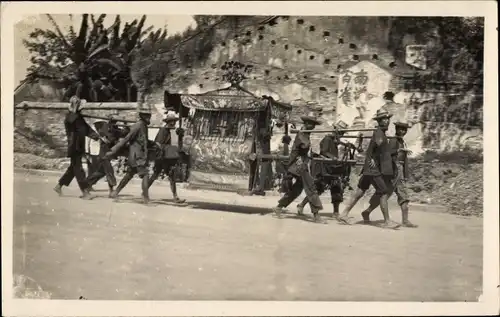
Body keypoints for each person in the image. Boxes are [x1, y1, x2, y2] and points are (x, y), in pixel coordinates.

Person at [337, 108, 400, 229]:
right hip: (373, 170)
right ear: (379, 121)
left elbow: (375, 149)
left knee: (360, 192)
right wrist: (371, 159)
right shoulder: (379, 133)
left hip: (369, 168)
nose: (386, 121)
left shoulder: (380, 133)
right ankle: (387, 221)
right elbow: (378, 147)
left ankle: (343, 214)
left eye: (387, 119)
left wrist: (370, 157)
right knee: (383, 192)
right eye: (383, 119)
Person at [359, 121, 418, 228]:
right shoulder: (393, 141)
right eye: (400, 129)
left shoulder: (402, 141)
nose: (403, 131)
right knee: (384, 195)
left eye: (404, 130)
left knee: (403, 194)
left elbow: (403, 161)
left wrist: (405, 175)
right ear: (396, 129)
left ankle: (405, 220)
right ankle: (368, 212)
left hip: (399, 171)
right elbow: (387, 155)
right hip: (392, 171)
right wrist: (399, 150)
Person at [272, 112, 324, 223]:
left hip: (301, 164)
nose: (314, 127)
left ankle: (279, 207)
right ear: (307, 123)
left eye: (314, 124)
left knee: (297, 189)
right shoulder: (301, 134)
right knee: (311, 188)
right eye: (312, 124)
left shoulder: (306, 134)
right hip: (298, 165)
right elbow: (303, 146)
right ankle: (316, 215)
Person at [296, 120, 350, 218]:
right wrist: (332, 157)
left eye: (342, 133)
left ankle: (336, 212)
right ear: (336, 131)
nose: (341, 135)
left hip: (333, 168)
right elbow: (324, 151)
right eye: (341, 132)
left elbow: (338, 142)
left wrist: (346, 145)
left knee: (336, 188)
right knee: (318, 189)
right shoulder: (327, 139)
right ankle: (301, 205)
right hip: (325, 168)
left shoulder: (334, 140)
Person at [103, 102, 153, 204]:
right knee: (145, 175)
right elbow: (126, 139)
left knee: (129, 175)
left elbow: (143, 141)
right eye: (147, 116)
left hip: (137, 156)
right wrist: (113, 150)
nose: (149, 118)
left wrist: (154, 144)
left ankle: (115, 192)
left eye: (150, 115)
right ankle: (146, 199)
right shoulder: (138, 126)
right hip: (137, 156)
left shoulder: (143, 126)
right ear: (142, 116)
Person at [53, 96, 102, 199]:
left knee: (73, 168)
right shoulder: (74, 117)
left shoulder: (75, 116)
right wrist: (96, 136)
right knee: (79, 169)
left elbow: (86, 128)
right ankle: (85, 192)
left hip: (76, 145)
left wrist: (97, 136)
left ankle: (58, 186)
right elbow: (84, 129)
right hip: (75, 147)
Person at [147, 112, 186, 204]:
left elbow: (177, 145)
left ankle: (175, 197)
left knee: (172, 177)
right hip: (162, 157)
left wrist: (180, 136)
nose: (173, 123)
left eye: (174, 121)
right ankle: (144, 191)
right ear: (167, 122)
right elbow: (158, 144)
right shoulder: (163, 131)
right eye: (171, 121)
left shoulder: (172, 131)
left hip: (169, 158)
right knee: (155, 175)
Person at [86, 115, 129, 197]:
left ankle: (86, 186)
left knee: (100, 172)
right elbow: (102, 134)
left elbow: (126, 132)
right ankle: (111, 191)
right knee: (109, 171)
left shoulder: (115, 130)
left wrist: (125, 123)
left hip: (106, 154)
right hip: (103, 154)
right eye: (114, 122)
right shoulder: (105, 130)